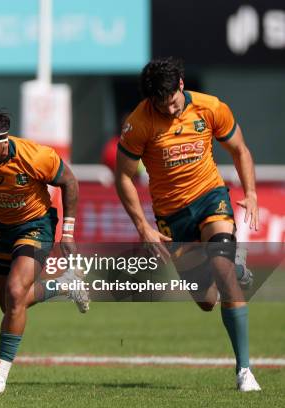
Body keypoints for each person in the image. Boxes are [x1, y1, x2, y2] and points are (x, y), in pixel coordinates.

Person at [114, 57, 260, 391]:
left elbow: (240, 150)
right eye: (160, 105)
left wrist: (250, 193)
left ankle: (244, 371)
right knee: (207, 300)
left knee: (221, 269)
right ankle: (237, 268)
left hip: (211, 197)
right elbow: (122, 176)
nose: (168, 110)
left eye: (173, 103)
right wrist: (142, 226)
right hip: (172, 217)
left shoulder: (211, 108)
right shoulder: (138, 122)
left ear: (181, 84)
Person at [0, 110, 87, 394]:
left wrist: (69, 232)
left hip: (37, 226)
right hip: (0, 229)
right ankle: (64, 285)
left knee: (15, 294)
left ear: (4, 143)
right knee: (11, 305)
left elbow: (69, 182)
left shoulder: (35, 156)